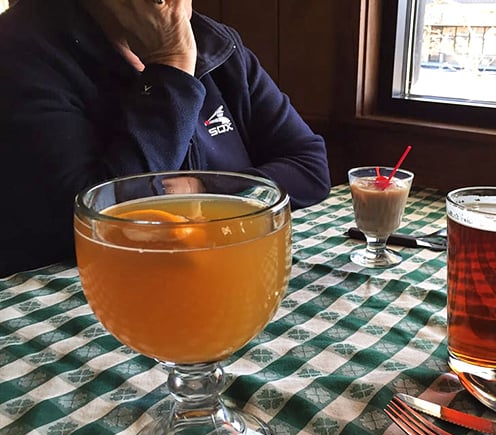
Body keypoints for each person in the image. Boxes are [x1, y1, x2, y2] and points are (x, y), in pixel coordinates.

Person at [0, 0, 331, 277]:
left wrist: (201, 189)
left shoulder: (217, 43)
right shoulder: (20, 49)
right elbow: (91, 225)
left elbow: (310, 168)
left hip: (222, 278)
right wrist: (172, 63)